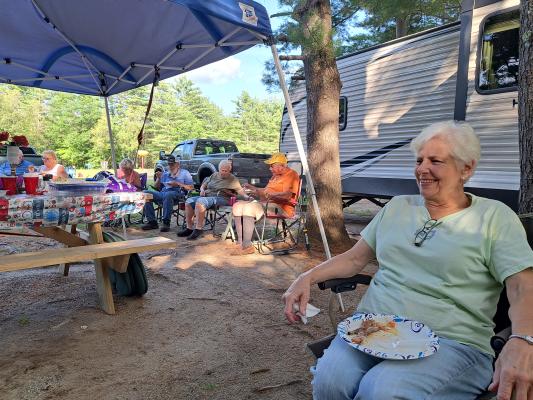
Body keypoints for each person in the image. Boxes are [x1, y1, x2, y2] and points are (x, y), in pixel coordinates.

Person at [282, 121, 533, 400]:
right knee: (330, 382)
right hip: (374, 328)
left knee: (382, 390)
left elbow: (522, 287)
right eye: (419, 160)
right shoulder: (397, 207)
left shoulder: (495, 218)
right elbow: (354, 259)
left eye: (435, 161)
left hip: (452, 341)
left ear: (466, 168)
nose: (422, 169)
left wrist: (523, 338)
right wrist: (306, 277)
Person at [230, 152, 299, 256]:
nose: (270, 169)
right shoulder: (275, 176)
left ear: (282, 166)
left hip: (282, 207)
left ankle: (247, 246)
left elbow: (287, 196)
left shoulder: (291, 175)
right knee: (237, 206)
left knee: (249, 208)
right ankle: (240, 243)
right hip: (268, 203)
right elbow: (265, 192)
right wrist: (253, 189)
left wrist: (270, 195)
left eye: (272, 166)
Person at [177, 159, 246, 240]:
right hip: (207, 196)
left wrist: (247, 197)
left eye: (226, 171)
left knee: (201, 201)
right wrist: (202, 190)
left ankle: (198, 229)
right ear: (219, 169)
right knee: (189, 201)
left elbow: (240, 191)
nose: (223, 172)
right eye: (222, 170)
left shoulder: (233, 179)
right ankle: (189, 228)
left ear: (229, 170)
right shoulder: (214, 175)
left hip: (221, 198)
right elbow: (204, 184)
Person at [142, 155, 194, 232]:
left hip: (178, 193)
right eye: (169, 164)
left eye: (172, 164)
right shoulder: (166, 173)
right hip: (163, 193)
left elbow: (191, 187)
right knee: (145, 193)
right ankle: (152, 222)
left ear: (178, 164)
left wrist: (178, 184)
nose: (170, 166)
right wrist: (159, 178)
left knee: (168, 195)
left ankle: (166, 222)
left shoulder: (185, 173)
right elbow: (156, 187)